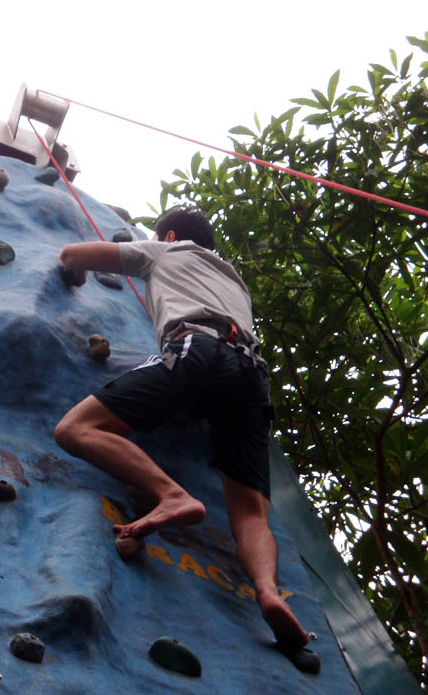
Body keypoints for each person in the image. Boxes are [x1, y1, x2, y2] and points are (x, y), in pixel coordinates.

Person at [53, 207, 315, 664]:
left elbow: (72, 252)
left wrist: (73, 270)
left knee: (75, 428)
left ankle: (171, 495)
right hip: (251, 376)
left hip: (199, 347)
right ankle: (269, 593)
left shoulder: (169, 250)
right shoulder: (234, 280)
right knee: (252, 512)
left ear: (169, 234)